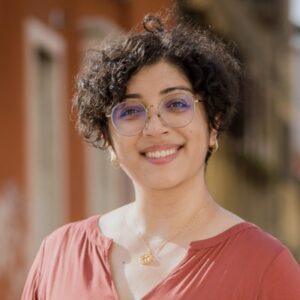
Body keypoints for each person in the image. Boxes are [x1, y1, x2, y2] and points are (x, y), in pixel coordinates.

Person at [22, 14, 300, 300]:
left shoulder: (265, 266)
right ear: (108, 139)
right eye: (130, 111)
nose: (155, 127)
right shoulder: (58, 254)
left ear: (213, 125)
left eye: (176, 104)